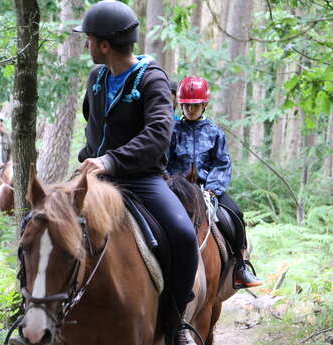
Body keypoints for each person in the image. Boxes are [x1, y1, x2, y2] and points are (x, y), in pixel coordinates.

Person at [75, 0, 198, 321]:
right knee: (40, 222)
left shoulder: (152, 79)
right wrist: (90, 160)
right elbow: (92, 120)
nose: (86, 44)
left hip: (141, 180)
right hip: (93, 178)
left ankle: (175, 322)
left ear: (104, 45)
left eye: (88, 39)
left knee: (184, 236)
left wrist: (112, 161)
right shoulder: (96, 77)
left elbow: (159, 133)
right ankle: (35, 312)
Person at [167, 76, 262, 288]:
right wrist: (171, 182)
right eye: (186, 106)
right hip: (177, 189)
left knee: (235, 214)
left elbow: (222, 163)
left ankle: (240, 266)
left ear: (205, 105)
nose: (190, 111)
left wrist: (212, 188)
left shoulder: (214, 132)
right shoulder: (172, 130)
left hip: (207, 189)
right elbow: (165, 160)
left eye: (195, 106)